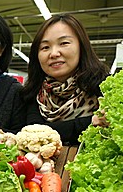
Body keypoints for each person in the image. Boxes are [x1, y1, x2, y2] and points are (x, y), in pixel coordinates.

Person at [21, 14, 109, 144]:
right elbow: (35, 134)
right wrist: (90, 122)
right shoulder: (34, 92)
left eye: (64, 43)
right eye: (45, 47)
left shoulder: (103, 86)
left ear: (81, 46)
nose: (54, 53)